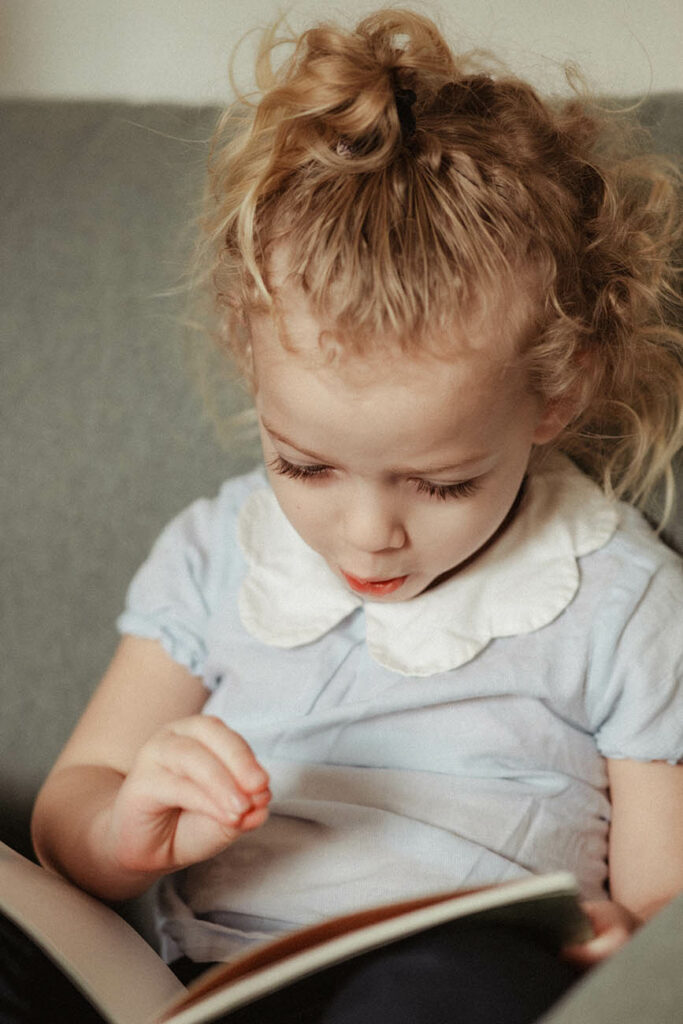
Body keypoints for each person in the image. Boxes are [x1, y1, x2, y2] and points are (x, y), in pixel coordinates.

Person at [26, 9, 682, 1023]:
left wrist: (619, 940)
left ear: (555, 395)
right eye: (305, 464)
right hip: (212, 984)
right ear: (249, 363)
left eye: (440, 483)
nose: (367, 532)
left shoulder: (620, 599)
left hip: (456, 979)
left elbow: (663, 904)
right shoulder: (216, 554)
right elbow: (74, 799)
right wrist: (124, 825)